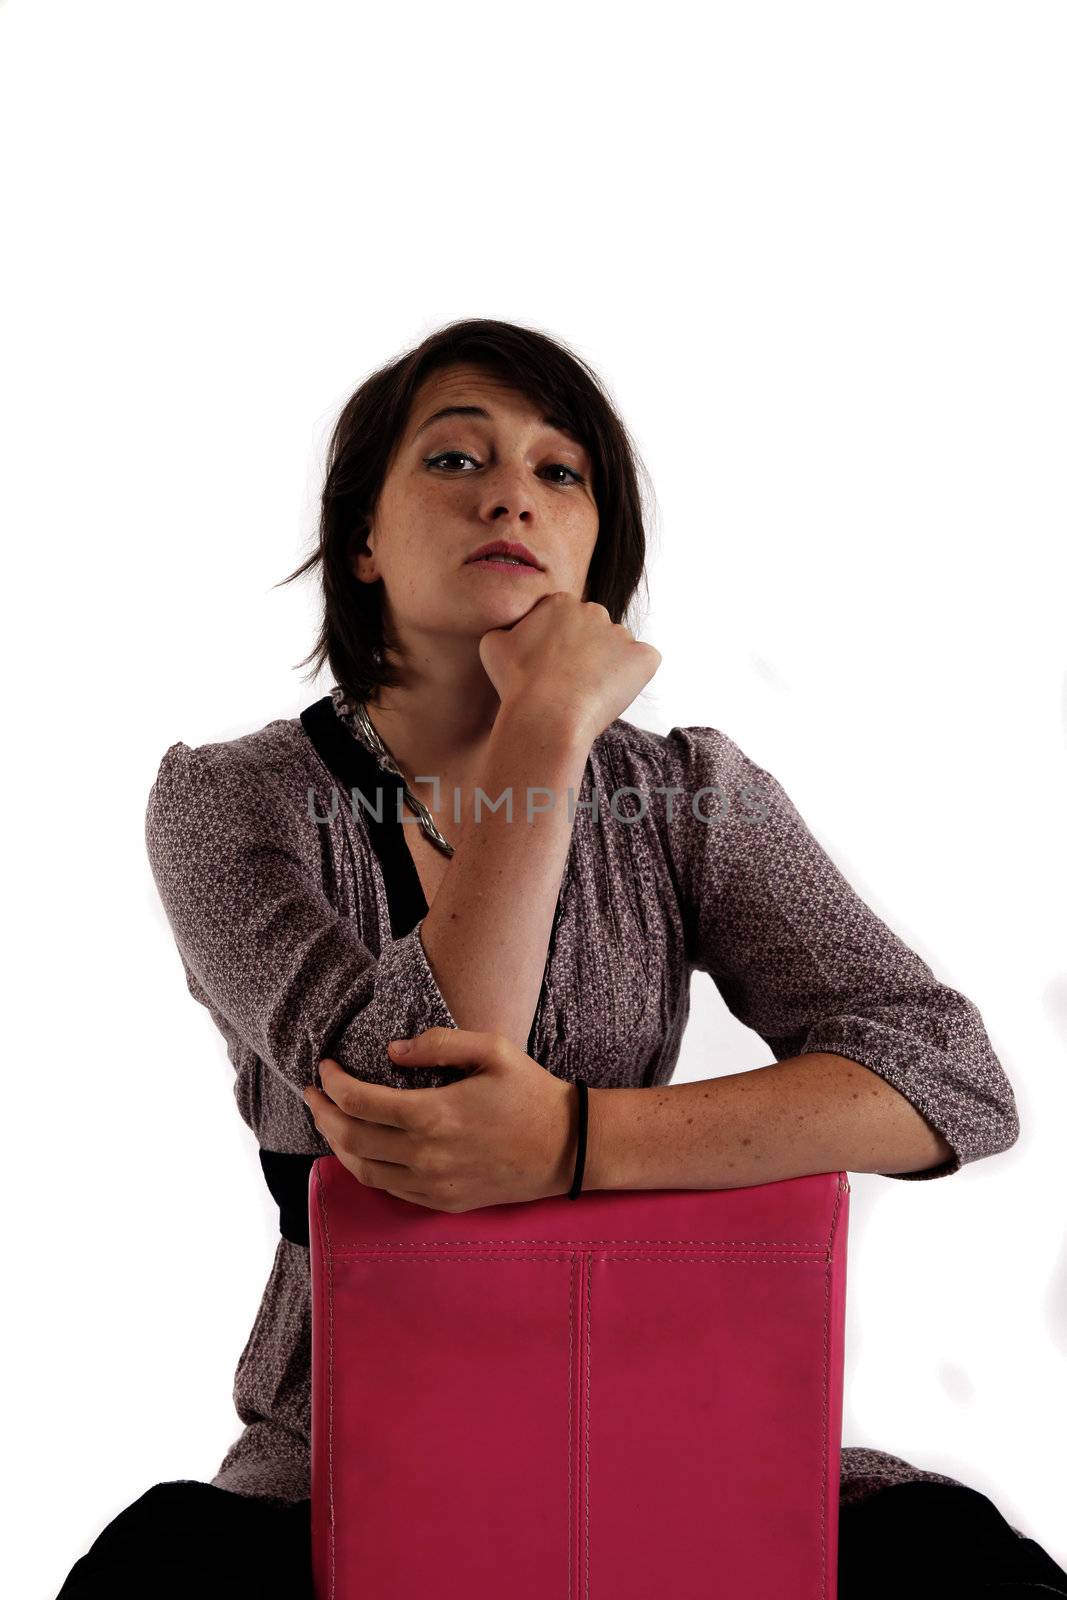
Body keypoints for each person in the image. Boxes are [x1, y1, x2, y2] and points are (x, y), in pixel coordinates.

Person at [56, 318, 1067, 1597]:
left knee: (958, 1565)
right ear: (360, 541)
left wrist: (580, 1140)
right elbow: (414, 1109)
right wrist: (541, 727)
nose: (508, 493)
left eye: (559, 473)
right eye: (452, 459)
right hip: (342, 1453)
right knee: (156, 1575)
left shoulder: (686, 792)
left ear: (594, 548)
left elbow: (951, 1083)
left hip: (670, 1410)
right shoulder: (231, 803)